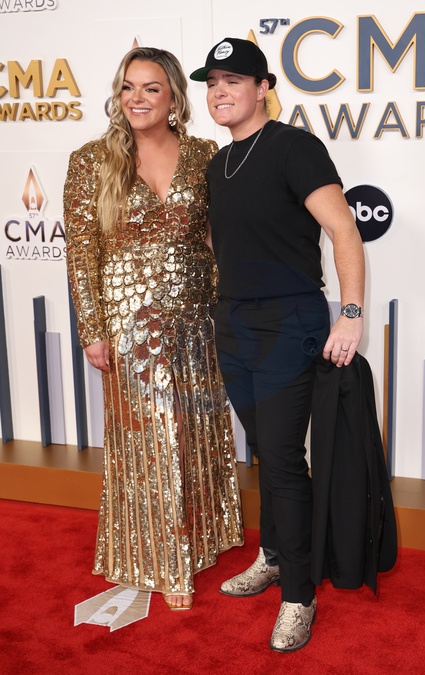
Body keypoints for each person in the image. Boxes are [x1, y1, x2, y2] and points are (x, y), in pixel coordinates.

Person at [190, 38, 365, 649]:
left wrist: (350, 314)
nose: (220, 92)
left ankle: (298, 595)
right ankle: (272, 556)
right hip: (234, 321)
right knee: (265, 448)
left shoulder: (294, 147)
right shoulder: (218, 164)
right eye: (213, 83)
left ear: (263, 87)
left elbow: (344, 230)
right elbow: (222, 241)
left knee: (285, 458)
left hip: (291, 321)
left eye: (234, 81)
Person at [64, 46, 244, 611]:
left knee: (196, 431)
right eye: (127, 87)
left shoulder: (205, 154)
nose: (136, 99)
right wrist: (92, 328)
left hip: (197, 318)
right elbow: (81, 253)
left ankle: (203, 538)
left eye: (150, 88)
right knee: (150, 440)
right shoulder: (91, 161)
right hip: (130, 326)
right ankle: (160, 560)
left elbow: (218, 238)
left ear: (173, 98)